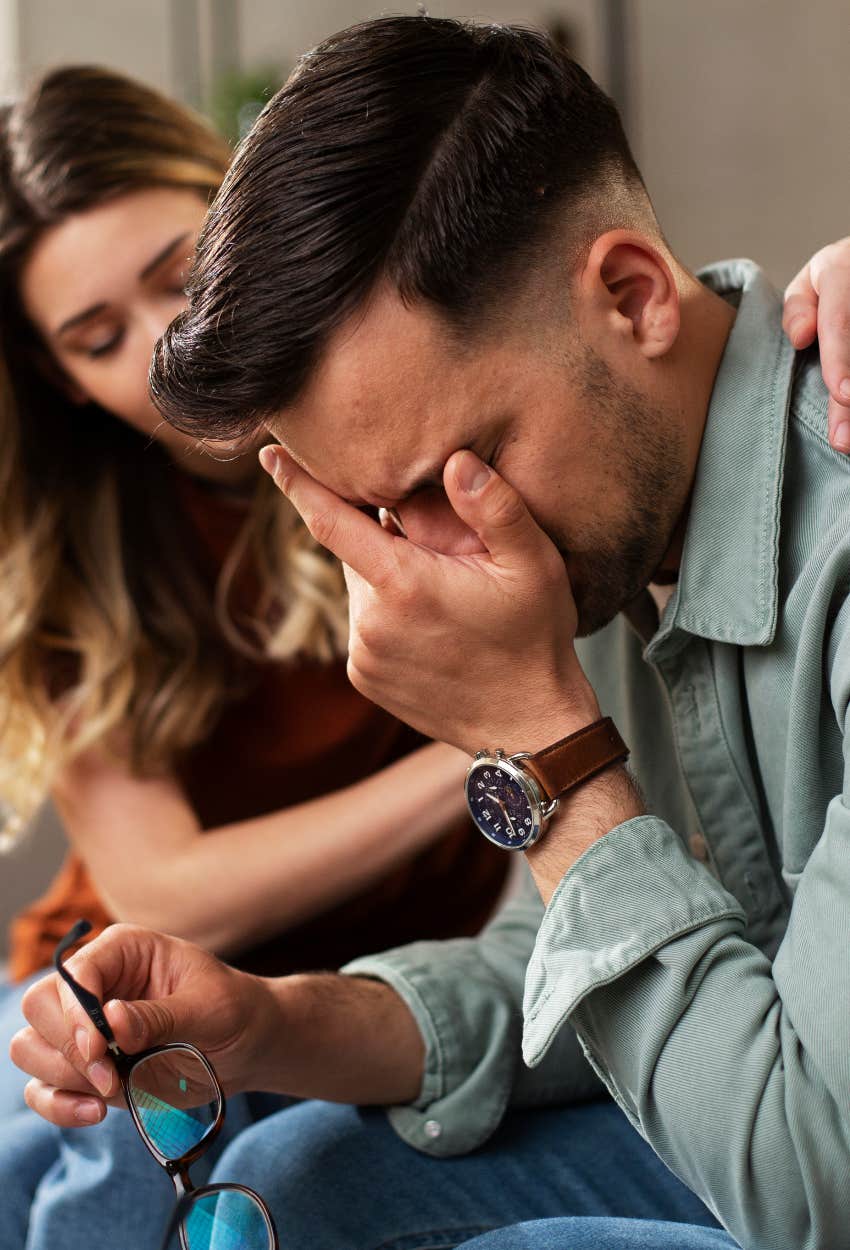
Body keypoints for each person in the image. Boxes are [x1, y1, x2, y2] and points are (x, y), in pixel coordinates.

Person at [12, 16, 850, 1250]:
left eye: (456, 472)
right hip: (731, 1098)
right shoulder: (603, 534)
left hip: (801, 1156)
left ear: (630, 295)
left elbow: (811, 1182)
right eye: (378, 508)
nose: (436, 565)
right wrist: (277, 1019)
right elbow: (557, 962)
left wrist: (544, 743)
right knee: (290, 1174)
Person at [0, 59, 509, 1245]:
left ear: (239, 211)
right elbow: (167, 892)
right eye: (93, 337)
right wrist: (491, 754)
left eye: (180, 274)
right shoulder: (83, 552)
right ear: (59, 381)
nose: (162, 346)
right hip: (119, 1003)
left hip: (362, 999)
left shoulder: (411, 400)